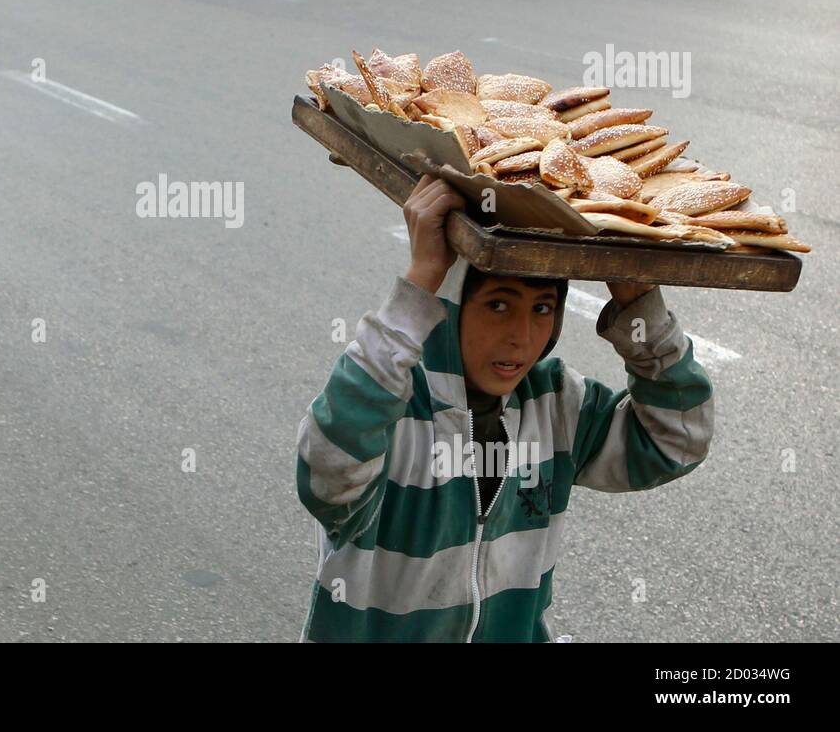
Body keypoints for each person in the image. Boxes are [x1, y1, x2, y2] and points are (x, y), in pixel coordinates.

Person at [296, 176, 715, 641]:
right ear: (452, 305)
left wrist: (638, 304)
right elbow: (329, 475)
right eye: (498, 304)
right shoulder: (394, 407)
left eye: (541, 308)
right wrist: (419, 283)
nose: (522, 336)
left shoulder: (555, 404)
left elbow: (677, 440)